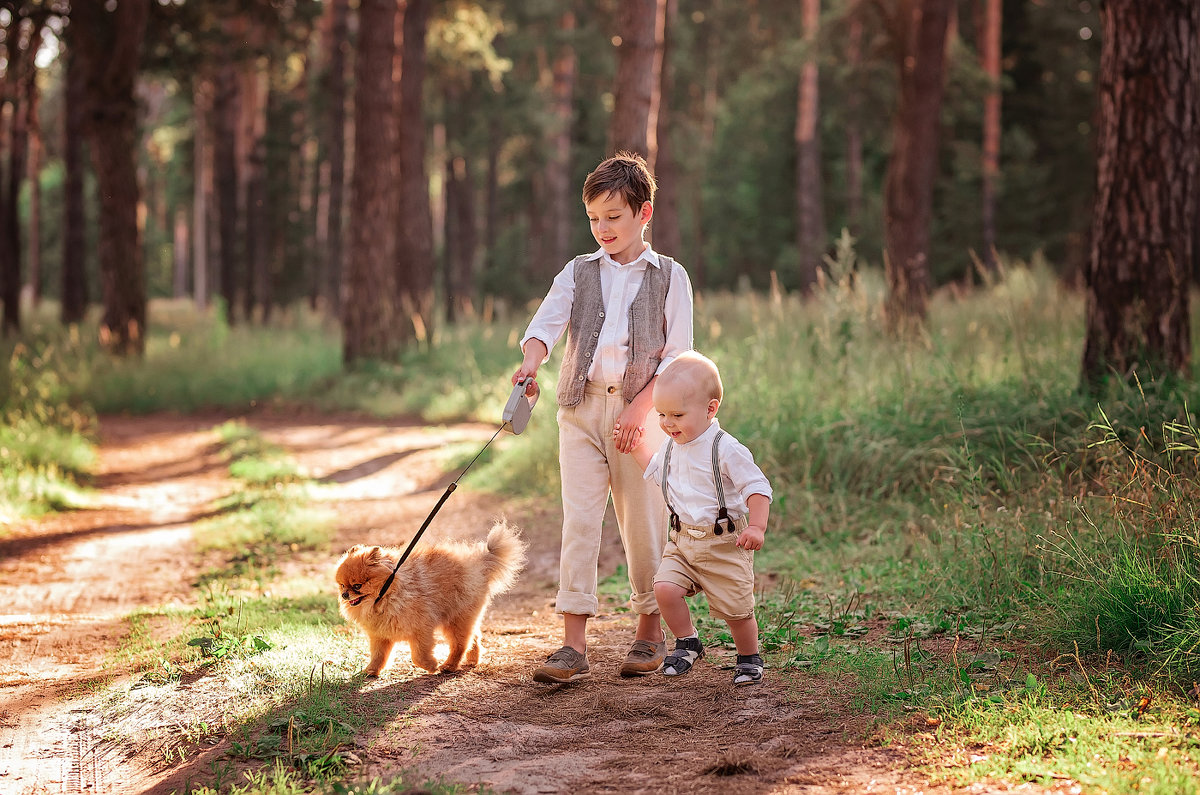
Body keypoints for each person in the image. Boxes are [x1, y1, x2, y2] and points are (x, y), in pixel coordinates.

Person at [512, 151, 694, 684]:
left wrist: (641, 410)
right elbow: (544, 325)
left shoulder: (670, 277)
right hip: (581, 409)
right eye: (593, 218)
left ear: (645, 213)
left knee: (643, 524)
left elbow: (678, 356)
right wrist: (530, 363)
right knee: (580, 521)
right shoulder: (578, 272)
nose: (602, 228)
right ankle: (572, 644)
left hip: (644, 415)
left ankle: (648, 631)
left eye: (614, 217)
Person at [623, 350, 772, 686]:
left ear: (710, 409)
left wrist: (757, 525)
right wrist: (636, 447)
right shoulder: (672, 446)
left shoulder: (725, 448)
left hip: (724, 543)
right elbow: (656, 472)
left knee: (737, 610)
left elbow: (757, 487)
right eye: (661, 415)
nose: (666, 423)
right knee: (663, 588)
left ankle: (749, 657)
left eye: (676, 414)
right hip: (683, 540)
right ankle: (688, 641)